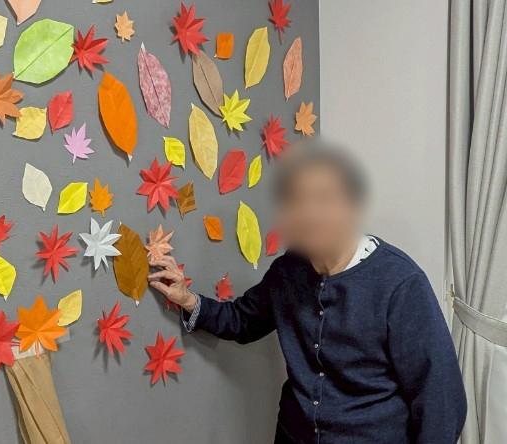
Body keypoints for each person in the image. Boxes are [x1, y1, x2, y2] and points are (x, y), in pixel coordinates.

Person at [148, 140, 467, 444]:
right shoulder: (289, 270)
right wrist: (188, 299)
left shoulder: (400, 283)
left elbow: (441, 398)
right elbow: (243, 320)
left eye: (324, 200)